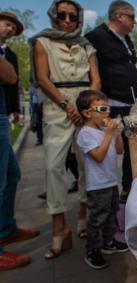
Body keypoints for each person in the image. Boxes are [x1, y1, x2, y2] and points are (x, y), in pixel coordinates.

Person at [30, 0, 101, 259]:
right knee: (53, 165)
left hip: (85, 105)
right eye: (62, 15)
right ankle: (59, 227)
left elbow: (96, 78)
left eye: (73, 16)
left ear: (79, 18)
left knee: (87, 163)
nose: (67, 20)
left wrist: (85, 105)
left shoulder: (87, 46)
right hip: (56, 104)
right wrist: (65, 104)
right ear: (54, 16)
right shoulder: (42, 42)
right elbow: (42, 78)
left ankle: (83, 213)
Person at [85, 0, 137, 202]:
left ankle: (127, 190)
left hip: (129, 105)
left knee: (130, 147)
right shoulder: (96, 37)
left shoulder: (127, 40)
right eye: (132, 16)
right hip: (109, 105)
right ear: (120, 16)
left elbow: (127, 69)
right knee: (106, 150)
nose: (135, 21)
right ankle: (103, 194)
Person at [0, 11, 40, 271]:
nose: (10, 29)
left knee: (12, 175)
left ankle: (6, 228)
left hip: (2, 113)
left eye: (13, 27)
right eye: (6, 24)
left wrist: (13, 109)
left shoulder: (7, 54)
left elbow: (12, 81)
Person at [76, 90, 127, 270]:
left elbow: (120, 150)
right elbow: (98, 155)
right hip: (97, 186)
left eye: (108, 108)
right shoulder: (85, 134)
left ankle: (109, 242)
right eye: (102, 109)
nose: (107, 113)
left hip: (112, 182)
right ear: (87, 113)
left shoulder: (106, 130)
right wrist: (108, 135)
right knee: (97, 219)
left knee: (111, 214)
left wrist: (117, 133)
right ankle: (93, 251)